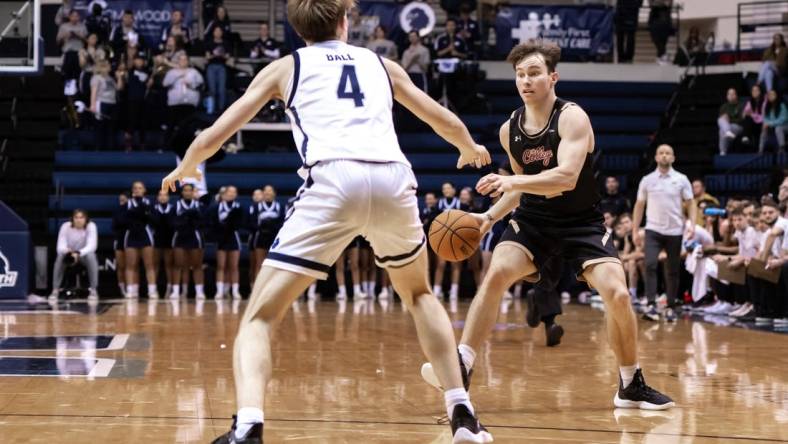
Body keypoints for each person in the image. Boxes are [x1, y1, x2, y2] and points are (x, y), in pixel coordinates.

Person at [161, 0, 493, 440]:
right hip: (393, 177)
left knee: (259, 318)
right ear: (345, 21)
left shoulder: (284, 68)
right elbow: (440, 118)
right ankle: (462, 414)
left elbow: (215, 134)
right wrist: (469, 147)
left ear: (299, 31)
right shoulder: (381, 64)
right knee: (418, 294)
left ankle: (247, 428)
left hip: (334, 177)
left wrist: (187, 165)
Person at [421, 40, 675, 412]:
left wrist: (512, 182)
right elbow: (520, 187)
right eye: (520, 75)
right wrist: (486, 217)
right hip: (534, 222)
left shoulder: (572, 117)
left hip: (581, 222)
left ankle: (629, 384)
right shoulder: (511, 129)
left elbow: (566, 177)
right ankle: (462, 363)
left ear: (552, 77)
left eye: (534, 73)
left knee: (618, 295)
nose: (526, 80)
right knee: (496, 274)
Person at [631, 144, 696, 322]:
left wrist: (692, 224)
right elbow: (639, 205)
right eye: (661, 153)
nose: (664, 156)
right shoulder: (647, 180)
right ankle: (651, 305)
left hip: (675, 230)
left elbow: (690, 203)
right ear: (656, 157)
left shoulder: (681, 179)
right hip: (653, 229)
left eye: (668, 153)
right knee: (650, 264)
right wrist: (635, 229)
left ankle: (671, 306)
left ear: (673, 158)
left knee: (672, 269)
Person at [52, 209, 99, 299]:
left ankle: (93, 290)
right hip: (69, 254)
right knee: (60, 256)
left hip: (83, 255)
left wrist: (78, 253)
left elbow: (92, 246)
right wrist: (68, 251)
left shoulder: (91, 226)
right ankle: (55, 290)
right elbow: (60, 247)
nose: (78, 220)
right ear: (72, 219)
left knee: (91, 256)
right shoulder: (65, 226)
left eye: (81, 217)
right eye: (76, 217)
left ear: (86, 219)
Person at [123, 181, 158, 299]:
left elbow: (154, 219)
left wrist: (145, 214)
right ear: (132, 190)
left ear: (144, 190)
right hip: (131, 235)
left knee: (149, 264)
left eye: (140, 188)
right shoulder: (127, 204)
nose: (137, 190)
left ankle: (152, 290)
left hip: (145, 234)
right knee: (131, 265)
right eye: (135, 188)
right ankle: (131, 290)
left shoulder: (149, 203)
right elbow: (123, 219)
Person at [170, 184, 206, 300]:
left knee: (197, 265)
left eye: (190, 190)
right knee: (178, 265)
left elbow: (203, 222)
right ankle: (175, 291)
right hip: (180, 236)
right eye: (185, 190)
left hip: (194, 236)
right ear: (182, 192)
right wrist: (183, 219)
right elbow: (172, 223)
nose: (188, 192)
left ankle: (199, 292)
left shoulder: (199, 205)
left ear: (193, 192)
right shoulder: (176, 205)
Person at [210, 185, 244, 300]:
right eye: (229, 192)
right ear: (224, 194)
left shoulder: (238, 207)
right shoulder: (217, 207)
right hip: (221, 238)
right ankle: (219, 291)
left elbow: (240, 223)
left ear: (236, 194)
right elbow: (212, 222)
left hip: (233, 238)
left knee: (233, 267)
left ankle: (234, 291)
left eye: (234, 192)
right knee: (221, 266)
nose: (231, 194)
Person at [162, 54, 203, 140]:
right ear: (178, 61)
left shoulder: (193, 72)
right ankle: (166, 145)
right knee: (171, 124)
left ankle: (187, 145)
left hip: (189, 103)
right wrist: (177, 76)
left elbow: (200, 84)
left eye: (185, 60)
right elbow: (165, 83)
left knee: (188, 125)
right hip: (175, 103)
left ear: (188, 61)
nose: (183, 62)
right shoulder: (172, 72)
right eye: (181, 60)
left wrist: (191, 84)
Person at [433, 182, 462, 300]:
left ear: (454, 190)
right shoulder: (439, 203)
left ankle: (454, 292)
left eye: (448, 188)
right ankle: (436, 290)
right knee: (441, 264)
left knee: (456, 265)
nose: (446, 190)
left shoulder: (460, 203)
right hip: (442, 237)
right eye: (444, 189)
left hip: (457, 237)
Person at [248, 185, 284, 282]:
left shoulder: (279, 206)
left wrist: (272, 226)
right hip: (261, 237)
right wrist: (262, 227)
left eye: (270, 191)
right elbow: (251, 222)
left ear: (274, 193)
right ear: (263, 193)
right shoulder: (257, 206)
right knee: (259, 264)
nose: (268, 193)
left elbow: (282, 222)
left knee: (274, 265)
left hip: (274, 238)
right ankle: (256, 289)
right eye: (266, 191)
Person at [90, 59, 122, 150]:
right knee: (100, 127)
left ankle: (110, 148)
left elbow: (118, 88)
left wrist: (119, 77)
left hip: (112, 103)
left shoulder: (110, 78)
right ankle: (98, 148)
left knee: (111, 127)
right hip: (101, 103)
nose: (110, 67)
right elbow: (94, 92)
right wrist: (92, 105)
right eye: (108, 65)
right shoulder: (97, 77)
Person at [151, 189, 175, 299]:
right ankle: (153, 289)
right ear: (157, 197)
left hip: (169, 240)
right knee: (155, 265)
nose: (162, 197)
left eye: (165, 195)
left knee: (169, 265)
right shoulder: (153, 209)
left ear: (168, 197)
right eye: (160, 195)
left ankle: (170, 288)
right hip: (156, 239)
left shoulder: (173, 209)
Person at [57, 9, 87, 95]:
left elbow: (87, 41)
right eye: (73, 16)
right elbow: (58, 41)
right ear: (69, 17)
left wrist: (78, 36)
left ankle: (78, 95)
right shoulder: (64, 27)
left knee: (78, 74)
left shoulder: (82, 26)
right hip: (68, 53)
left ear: (79, 17)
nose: (75, 18)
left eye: (76, 16)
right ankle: (68, 95)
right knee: (67, 75)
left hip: (79, 54)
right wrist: (65, 36)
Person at [205, 26, 233, 114]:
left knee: (221, 89)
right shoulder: (209, 43)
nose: (217, 33)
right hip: (211, 66)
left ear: (221, 33)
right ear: (213, 33)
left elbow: (228, 56)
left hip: (221, 66)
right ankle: (211, 109)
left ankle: (221, 109)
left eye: (219, 31)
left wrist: (221, 55)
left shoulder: (225, 43)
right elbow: (207, 57)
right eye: (216, 31)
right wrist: (215, 54)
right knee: (212, 89)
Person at [717, 87, 745, 156]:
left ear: (736, 95)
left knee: (722, 130)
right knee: (720, 121)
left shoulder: (741, 105)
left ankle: (723, 150)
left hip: (738, 126)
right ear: (727, 96)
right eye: (729, 94)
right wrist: (725, 119)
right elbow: (721, 121)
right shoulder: (724, 106)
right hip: (727, 126)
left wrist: (729, 119)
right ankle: (723, 152)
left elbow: (742, 119)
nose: (731, 96)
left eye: (733, 94)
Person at [761, 89, 788, 153]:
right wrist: (766, 124)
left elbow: (783, 119)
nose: (771, 96)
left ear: (777, 96)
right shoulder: (767, 106)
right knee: (764, 128)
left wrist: (770, 123)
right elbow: (765, 118)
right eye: (769, 94)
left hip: (785, 125)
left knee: (778, 128)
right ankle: (761, 149)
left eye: (773, 94)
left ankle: (782, 148)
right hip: (773, 125)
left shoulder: (782, 105)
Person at [112, 193, 129, 297]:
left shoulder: (133, 210)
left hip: (131, 239)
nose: (122, 202)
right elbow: (113, 226)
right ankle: (122, 289)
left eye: (124, 200)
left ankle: (131, 287)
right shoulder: (117, 211)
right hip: (120, 239)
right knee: (121, 266)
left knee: (130, 266)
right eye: (120, 200)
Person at [647, 0, 673, 65]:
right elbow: (651, 4)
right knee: (656, 39)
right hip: (654, 19)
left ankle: (660, 57)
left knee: (663, 40)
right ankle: (663, 55)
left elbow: (668, 3)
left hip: (665, 19)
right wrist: (662, 3)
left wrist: (657, 3)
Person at [743, 84, 766, 149]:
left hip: (763, 123)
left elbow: (763, 116)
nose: (754, 92)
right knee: (747, 118)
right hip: (754, 124)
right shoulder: (750, 102)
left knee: (750, 118)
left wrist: (752, 115)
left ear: (760, 92)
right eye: (753, 90)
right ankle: (746, 137)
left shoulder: (765, 101)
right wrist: (750, 114)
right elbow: (744, 114)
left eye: (756, 90)